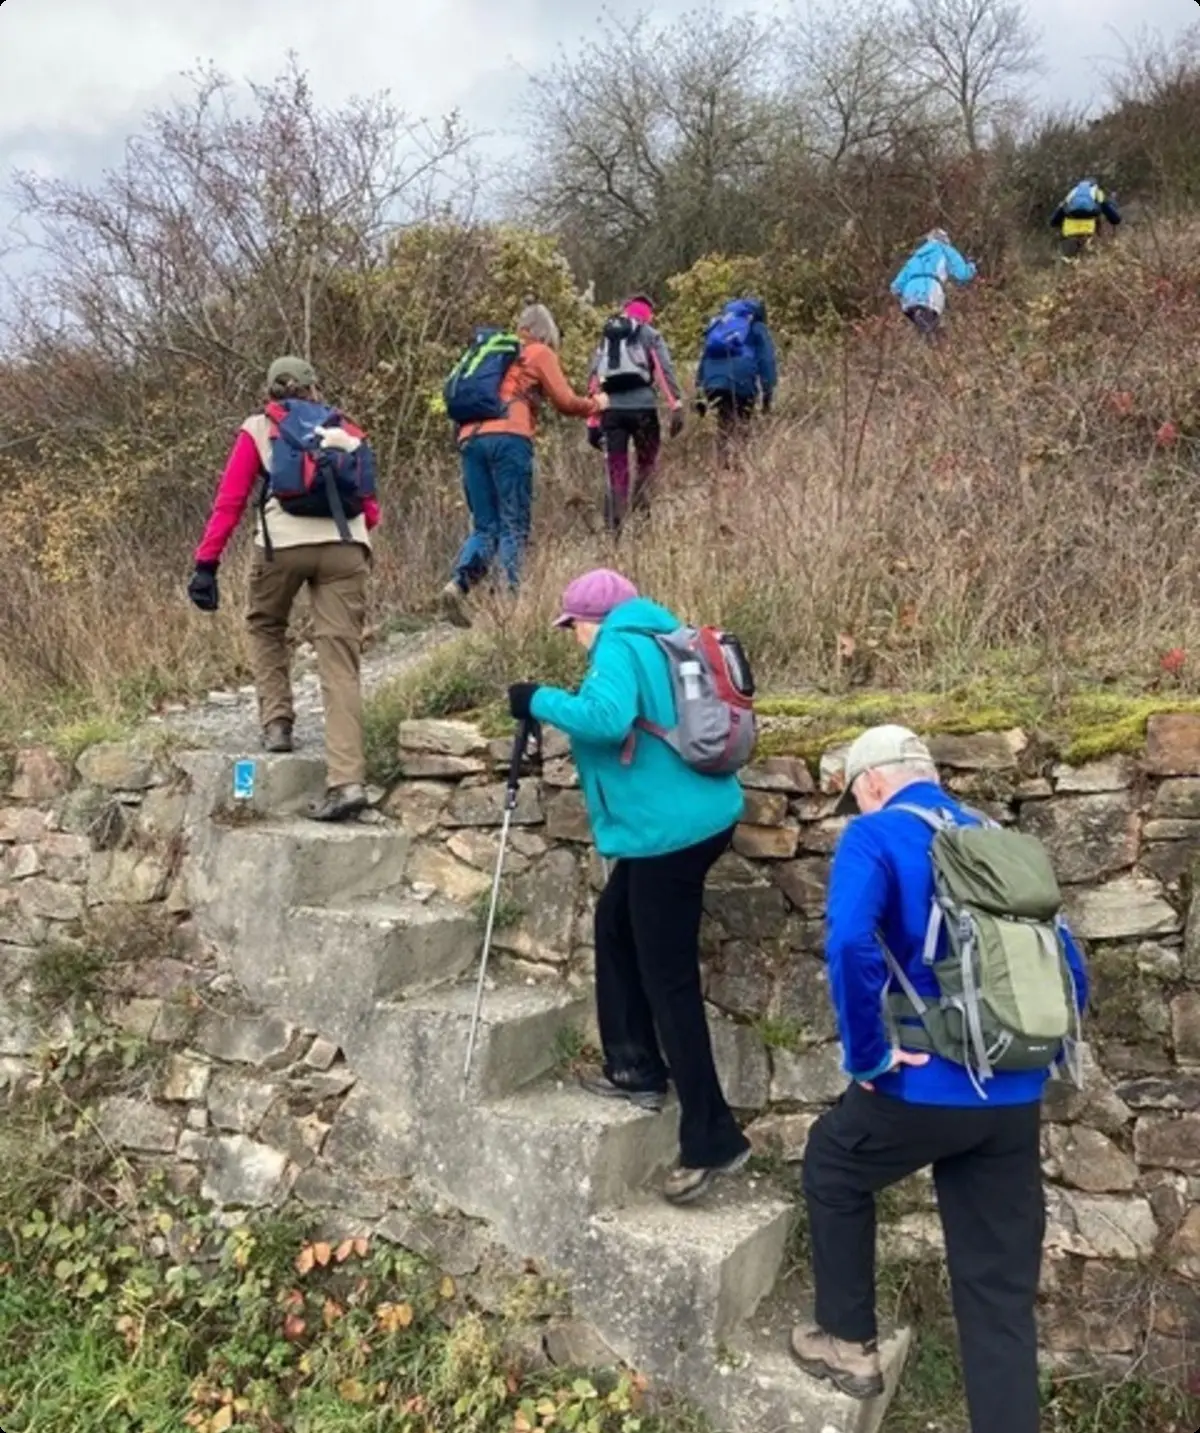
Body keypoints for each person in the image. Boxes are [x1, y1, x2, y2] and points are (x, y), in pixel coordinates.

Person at [791, 725, 1089, 1433]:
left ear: (870, 783)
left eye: (854, 797)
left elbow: (848, 941)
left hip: (921, 1089)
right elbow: (1068, 963)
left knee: (833, 1164)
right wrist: (1030, 1058)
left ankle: (848, 1341)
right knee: (996, 1295)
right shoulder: (996, 837)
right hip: (1014, 1097)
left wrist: (869, 1056)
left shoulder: (876, 836)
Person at [507, 568, 750, 1205]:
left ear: (587, 619)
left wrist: (536, 699)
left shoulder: (617, 643)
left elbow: (607, 720)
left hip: (668, 834)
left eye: (572, 628)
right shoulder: (667, 634)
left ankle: (712, 1138)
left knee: (669, 980)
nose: (575, 640)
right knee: (615, 923)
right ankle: (634, 1066)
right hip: (694, 819)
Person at [187, 356, 379, 823]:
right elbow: (370, 507)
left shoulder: (258, 428)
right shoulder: (346, 426)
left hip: (282, 547)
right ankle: (348, 781)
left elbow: (230, 501)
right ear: (315, 387)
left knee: (265, 623)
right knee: (339, 658)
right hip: (346, 545)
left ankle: (277, 723)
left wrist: (206, 563)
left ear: (270, 391)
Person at [440, 304, 605, 625]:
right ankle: (508, 600)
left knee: (485, 525)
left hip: (470, 439)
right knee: (514, 523)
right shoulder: (538, 353)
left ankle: (458, 585)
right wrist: (596, 404)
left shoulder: (494, 356)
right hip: (510, 438)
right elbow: (565, 401)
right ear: (545, 331)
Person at [585, 295, 684, 532]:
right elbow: (663, 370)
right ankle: (642, 519)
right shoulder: (649, 334)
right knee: (646, 463)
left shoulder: (608, 337)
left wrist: (592, 422)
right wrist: (676, 405)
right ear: (648, 315)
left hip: (611, 413)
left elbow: (593, 380)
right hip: (643, 411)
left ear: (625, 311)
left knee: (617, 468)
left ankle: (614, 527)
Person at [694, 297, 777, 459]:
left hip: (713, 382)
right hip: (742, 381)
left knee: (724, 420)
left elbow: (704, 359)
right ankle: (738, 466)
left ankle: (722, 464)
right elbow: (766, 360)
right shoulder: (756, 327)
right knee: (741, 424)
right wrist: (768, 393)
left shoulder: (719, 324)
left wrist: (699, 394)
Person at [890, 229, 976, 342]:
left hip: (909, 295)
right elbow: (962, 274)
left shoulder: (916, 257)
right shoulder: (945, 250)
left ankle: (921, 351)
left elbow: (895, 287)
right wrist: (972, 267)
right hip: (930, 290)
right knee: (931, 330)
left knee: (921, 330)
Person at [1050, 177, 1121, 261]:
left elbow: (1055, 219)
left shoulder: (1072, 193)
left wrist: (1055, 223)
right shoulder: (1096, 192)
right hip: (1089, 231)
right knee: (1089, 258)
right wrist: (1116, 220)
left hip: (1069, 232)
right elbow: (1108, 210)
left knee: (1069, 260)